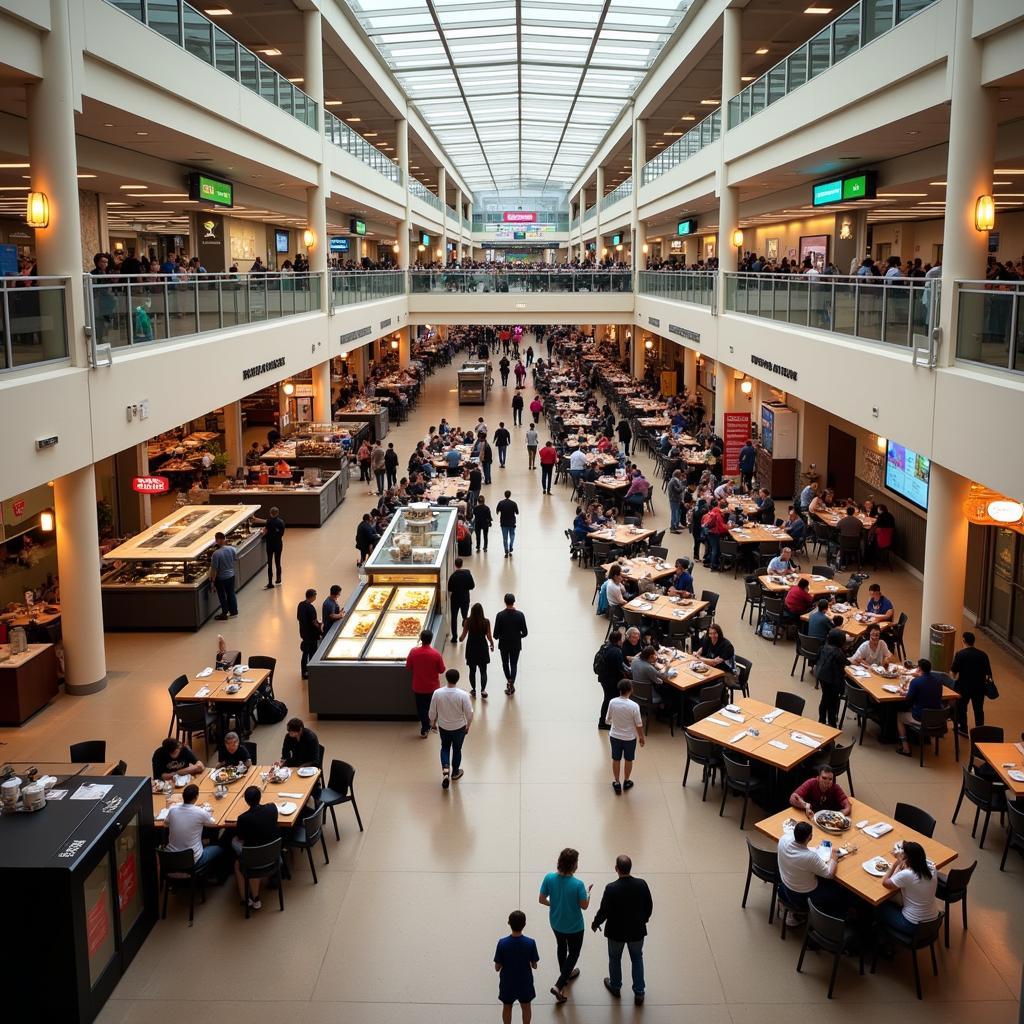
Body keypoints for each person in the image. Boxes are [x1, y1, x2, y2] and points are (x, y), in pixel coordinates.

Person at [591, 854, 653, 1005]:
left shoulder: (611, 888)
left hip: (616, 932)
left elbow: (604, 910)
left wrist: (595, 923)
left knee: (615, 958)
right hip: (637, 931)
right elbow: (649, 906)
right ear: (630, 868)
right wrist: (644, 920)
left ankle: (616, 986)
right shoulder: (642, 884)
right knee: (637, 958)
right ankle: (639, 992)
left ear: (616, 869)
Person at [539, 848, 592, 1004]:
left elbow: (541, 899)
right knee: (574, 953)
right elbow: (584, 906)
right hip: (575, 927)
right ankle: (559, 984)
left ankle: (566, 973)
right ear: (574, 865)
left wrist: (554, 905)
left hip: (556, 923)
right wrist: (588, 895)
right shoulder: (578, 884)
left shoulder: (549, 878)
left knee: (561, 947)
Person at [777, 820, 841, 924]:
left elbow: (799, 849)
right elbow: (829, 874)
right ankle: (829, 919)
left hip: (786, 884)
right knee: (838, 889)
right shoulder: (810, 858)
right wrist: (834, 856)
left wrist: (813, 849)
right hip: (802, 896)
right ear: (810, 837)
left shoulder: (783, 839)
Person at [879, 840, 939, 936]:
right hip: (933, 921)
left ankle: (880, 940)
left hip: (912, 925)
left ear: (907, 859)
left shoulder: (907, 874)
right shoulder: (932, 867)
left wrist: (896, 864)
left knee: (878, 906)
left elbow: (885, 883)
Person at [232, 785, 278, 910]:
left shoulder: (242, 819)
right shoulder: (272, 808)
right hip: (272, 852)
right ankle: (256, 896)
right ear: (260, 797)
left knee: (237, 861)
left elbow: (240, 837)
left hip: (253, 857)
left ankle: (245, 899)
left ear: (246, 801)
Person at [428, 668, 473, 789]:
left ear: (446, 678)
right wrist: (468, 726)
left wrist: (433, 723)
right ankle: (455, 772)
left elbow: (432, 712)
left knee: (445, 747)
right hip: (459, 727)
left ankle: (445, 769)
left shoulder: (437, 693)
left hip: (444, 727)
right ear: (457, 679)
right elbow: (469, 713)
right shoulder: (463, 695)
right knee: (457, 749)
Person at [494, 909, 540, 1024]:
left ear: (509, 923)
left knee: (507, 1007)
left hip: (507, 982)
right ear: (524, 924)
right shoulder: (530, 942)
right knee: (526, 1006)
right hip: (525, 982)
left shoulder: (502, 943)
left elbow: (497, 967)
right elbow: (534, 965)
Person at [165, 784, 222, 872]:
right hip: (193, 860)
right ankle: (213, 876)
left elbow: (166, 824)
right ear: (196, 797)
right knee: (219, 848)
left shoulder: (173, 810)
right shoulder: (200, 812)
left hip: (172, 858)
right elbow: (213, 824)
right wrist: (209, 812)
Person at [895, 658, 943, 756]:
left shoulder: (916, 682)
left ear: (919, 669)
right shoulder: (938, 681)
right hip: (937, 718)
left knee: (900, 716)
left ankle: (905, 748)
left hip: (921, 718)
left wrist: (903, 693)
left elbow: (909, 699)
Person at [606, 679, 645, 794]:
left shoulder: (612, 702)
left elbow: (608, 719)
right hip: (629, 738)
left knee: (616, 758)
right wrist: (641, 737)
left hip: (614, 736)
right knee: (629, 759)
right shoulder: (634, 706)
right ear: (631, 690)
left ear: (620, 690)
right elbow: (639, 724)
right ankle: (626, 781)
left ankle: (617, 782)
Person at [405, 629, 446, 737]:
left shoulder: (413, 652)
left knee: (421, 708)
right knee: (432, 706)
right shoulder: (436, 654)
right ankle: (433, 724)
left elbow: (408, 666)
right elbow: (442, 670)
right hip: (432, 687)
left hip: (418, 686)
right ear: (431, 640)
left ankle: (424, 728)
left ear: (421, 639)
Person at [951, 631, 993, 734]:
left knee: (962, 707)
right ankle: (980, 730)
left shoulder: (960, 654)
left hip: (964, 687)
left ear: (963, 640)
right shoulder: (983, 655)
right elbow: (988, 673)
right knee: (978, 709)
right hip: (979, 687)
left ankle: (963, 729)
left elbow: (953, 672)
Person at [493, 593, 528, 695]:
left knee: (505, 663)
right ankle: (511, 683)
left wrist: (501, 636)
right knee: (514, 664)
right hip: (516, 644)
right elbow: (525, 632)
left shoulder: (500, 615)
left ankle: (509, 681)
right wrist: (518, 636)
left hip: (503, 644)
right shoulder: (520, 615)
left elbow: (495, 634)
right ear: (514, 602)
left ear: (505, 602)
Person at [460, 602, 494, 698]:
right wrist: (491, 644)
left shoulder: (468, 621)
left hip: (471, 647)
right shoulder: (486, 621)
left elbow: (463, 636)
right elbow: (488, 635)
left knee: (472, 670)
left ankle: (473, 690)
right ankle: (483, 690)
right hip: (482, 647)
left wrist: (459, 639)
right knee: (483, 671)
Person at [596, 630, 626, 730]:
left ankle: (605, 720)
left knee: (607, 699)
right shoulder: (616, 652)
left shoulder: (605, 646)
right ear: (618, 640)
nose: (622, 641)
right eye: (621, 639)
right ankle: (603, 722)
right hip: (611, 681)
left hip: (604, 678)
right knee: (609, 700)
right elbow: (619, 669)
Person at [209, 531, 238, 620]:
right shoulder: (232, 549)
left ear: (217, 540)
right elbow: (234, 559)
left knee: (222, 596)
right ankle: (234, 612)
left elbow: (214, 569)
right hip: (231, 575)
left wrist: (213, 581)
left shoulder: (216, 554)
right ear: (224, 539)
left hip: (221, 578)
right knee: (231, 593)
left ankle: (224, 613)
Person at [447, 557, 475, 644]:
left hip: (455, 599)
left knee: (454, 618)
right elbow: (472, 586)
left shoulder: (453, 576)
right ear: (462, 564)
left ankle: (454, 637)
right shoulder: (467, 575)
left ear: (455, 565)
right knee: (465, 616)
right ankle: (464, 631)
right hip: (465, 598)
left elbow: (450, 589)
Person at [297, 588, 321, 680]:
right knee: (312, 653)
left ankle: (304, 671)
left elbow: (299, 618)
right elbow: (314, 622)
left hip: (304, 634)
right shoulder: (311, 608)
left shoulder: (300, 605)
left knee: (305, 654)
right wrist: (320, 629)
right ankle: (311, 670)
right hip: (311, 635)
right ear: (313, 596)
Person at [261, 506, 286, 589]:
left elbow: (266, 532)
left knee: (270, 563)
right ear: (278, 513)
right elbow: (282, 533)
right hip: (278, 544)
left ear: (270, 513)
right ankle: (278, 579)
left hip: (270, 545)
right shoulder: (281, 522)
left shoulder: (268, 522)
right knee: (278, 562)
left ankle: (270, 583)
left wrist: (263, 534)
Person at [496, 489, 520, 556]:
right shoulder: (513, 503)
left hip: (504, 523)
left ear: (504, 495)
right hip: (512, 523)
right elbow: (517, 513)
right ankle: (511, 546)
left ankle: (506, 550)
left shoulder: (501, 503)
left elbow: (497, 511)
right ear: (510, 495)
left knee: (505, 538)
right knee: (512, 536)